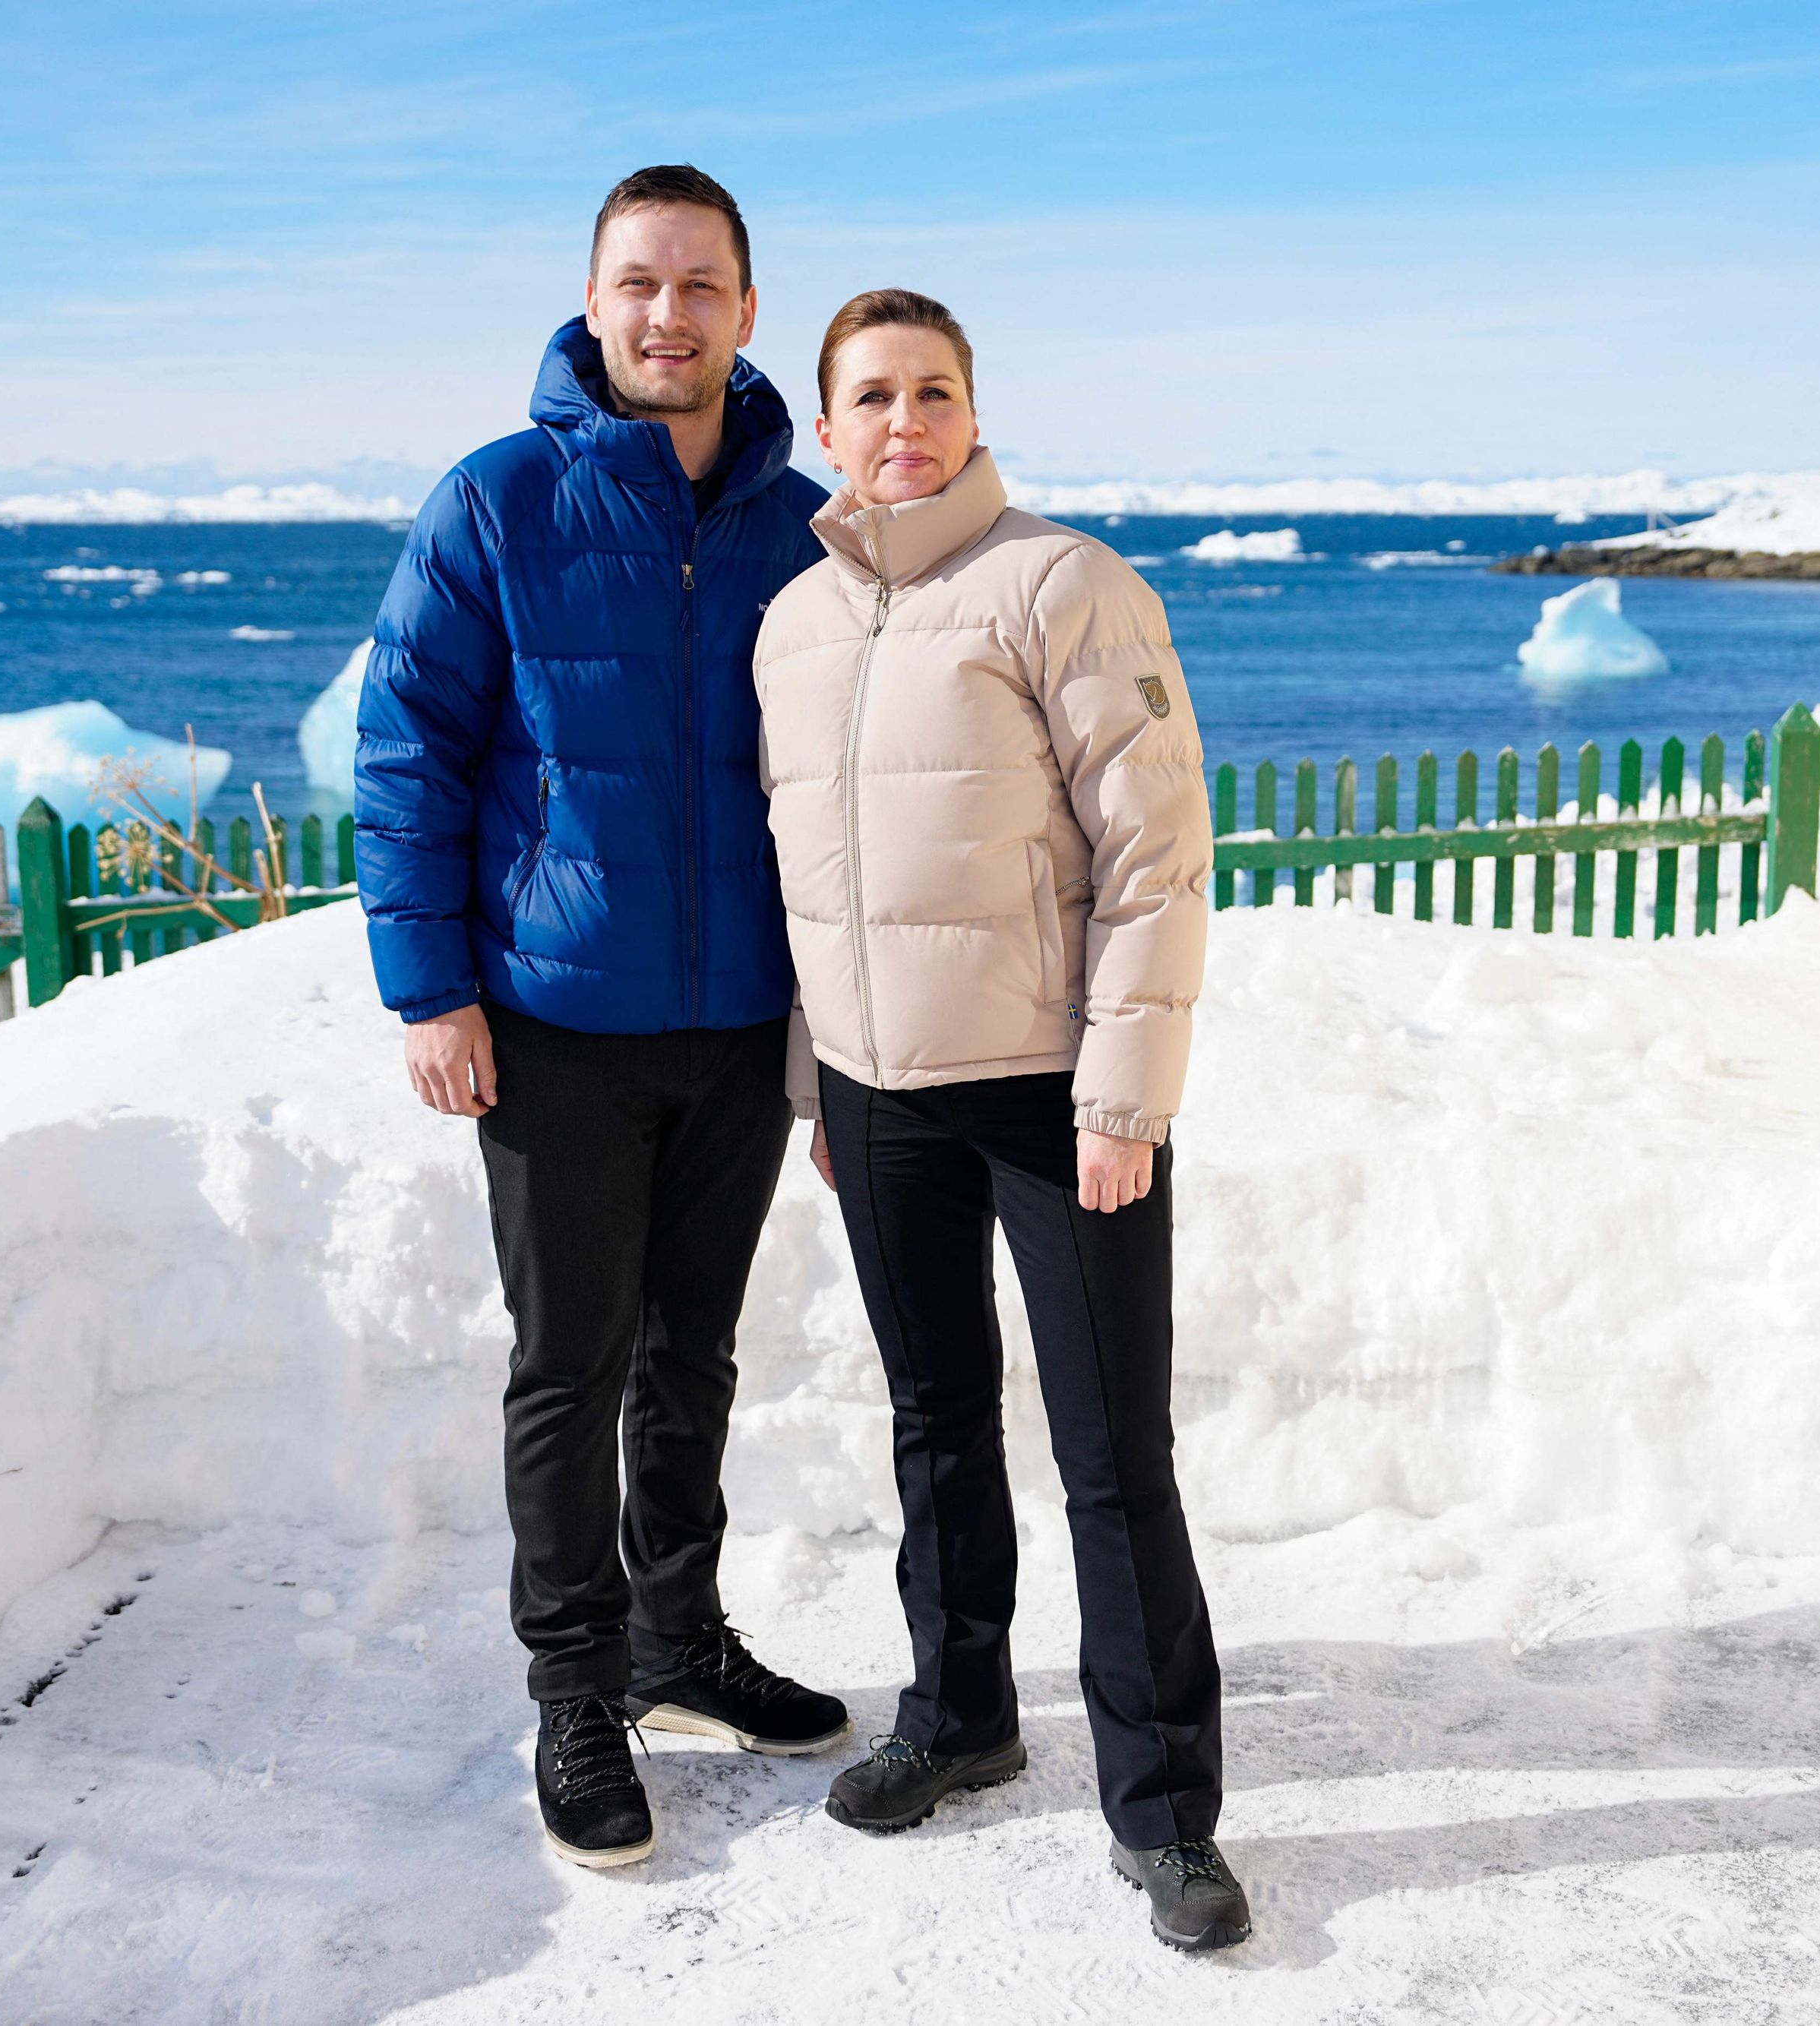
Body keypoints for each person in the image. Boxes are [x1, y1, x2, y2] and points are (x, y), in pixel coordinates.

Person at [353, 165, 848, 1871]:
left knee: (690, 1355)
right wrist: (428, 984)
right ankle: (575, 1690)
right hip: (554, 1022)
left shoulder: (804, 522)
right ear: (590, 300)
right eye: (637, 282)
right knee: (569, 1365)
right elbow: (407, 745)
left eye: (699, 284)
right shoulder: (495, 501)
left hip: (732, 1027)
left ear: (744, 310)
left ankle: (679, 1642)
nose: (666, 313)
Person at [753, 289, 1247, 1952]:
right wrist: (821, 1080)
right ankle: (961, 1711)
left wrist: (1121, 1096)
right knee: (934, 1421)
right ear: (826, 427)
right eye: (872, 396)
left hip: (1051, 1100)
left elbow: (1155, 856)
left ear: (974, 411)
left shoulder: (1059, 582)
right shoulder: (792, 626)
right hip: (882, 1102)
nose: (905, 421)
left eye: (934, 391)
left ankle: (1164, 1808)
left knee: (1113, 1455)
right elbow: (806, 881)